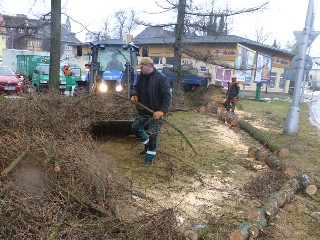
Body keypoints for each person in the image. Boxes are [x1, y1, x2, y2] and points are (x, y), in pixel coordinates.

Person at [130, 57, 171, 166]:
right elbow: (135, 87)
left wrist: (162, 111)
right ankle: (147, 145)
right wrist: (134, 95)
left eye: (142, 67)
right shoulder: (141, 77)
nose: (141, 70)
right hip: (143, 109)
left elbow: (167, 97)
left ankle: (149, 158)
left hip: (155, 113)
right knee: (136, 128)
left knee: (152, 135)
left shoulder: (161, 78)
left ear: (148, 66)